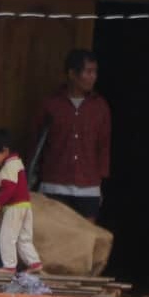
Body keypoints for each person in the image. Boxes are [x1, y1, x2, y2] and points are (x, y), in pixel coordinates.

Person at [32, 48, 110, 221]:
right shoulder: (51, 104)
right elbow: (37, 142)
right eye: (88, 72)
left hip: (88, 186)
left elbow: (103, 146)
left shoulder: (100, 107)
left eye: (95, 72)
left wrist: (99, 185)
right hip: (54, 184)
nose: (93, 77)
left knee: (85, 241)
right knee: (53, 239)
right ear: (72, 74)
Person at [0, 129, 42, 274]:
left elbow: (9, 188)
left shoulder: (7, 167)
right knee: (24, 238)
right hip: (25, 206)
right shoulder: (18, 163)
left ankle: (9, 266)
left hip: (14, 207)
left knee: (6, 236)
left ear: (4, 150)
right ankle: (35, 263)